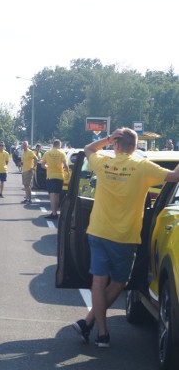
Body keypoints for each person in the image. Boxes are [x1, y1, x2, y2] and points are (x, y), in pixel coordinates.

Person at [71, 128, 179, 348]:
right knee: (119, 282)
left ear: (116, 145)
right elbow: (175, 177)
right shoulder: (142, 167)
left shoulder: (103, 163)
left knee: (98, 282)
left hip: (98, 231)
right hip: (124, 236)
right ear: (136, 146)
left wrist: (108, 138)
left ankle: (96, 328)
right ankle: (96, 328)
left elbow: (88, 148)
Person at [41, 139, 68, 219]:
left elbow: (42, 165)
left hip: (50, 176)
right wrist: (68, 173)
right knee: (57, 194)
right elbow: (66, 165)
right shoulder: (62, 153)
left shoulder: (47, 153)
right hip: (60, 176)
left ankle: (54, 213)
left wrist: (48, 168)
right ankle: (56, 211)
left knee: (52, 195)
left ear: (53, 145)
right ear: (59, 145)